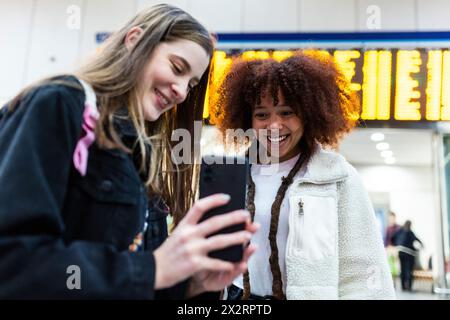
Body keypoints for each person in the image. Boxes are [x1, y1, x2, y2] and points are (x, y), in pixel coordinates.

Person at [0, 4, 258, 299]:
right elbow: (14, 263)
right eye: (176, 68)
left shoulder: (139, 155)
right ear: (135, 39)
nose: (182, 92)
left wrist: (193, 285)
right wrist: (153, 269)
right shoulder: (58, 104)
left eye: (192, 84)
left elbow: (129, 281)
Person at [214, 52, 396, 300]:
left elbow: (363, 272)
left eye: (287, 112)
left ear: (308, 114)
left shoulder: (337, 177)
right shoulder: (232, 176)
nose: (274, 125)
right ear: (248, 119)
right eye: (262, 114)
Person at [392, 220, 423, 291]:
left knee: (403, 270)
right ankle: (409, 287)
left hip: (401, 252)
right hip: (409, 254)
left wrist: (396, 245)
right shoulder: (409, 232)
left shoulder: (399, 231)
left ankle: (403, 286)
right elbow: (416, 239)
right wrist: (422, 245)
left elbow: (393, 238)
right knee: (409, 270)